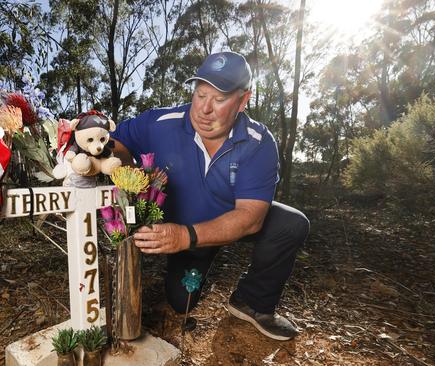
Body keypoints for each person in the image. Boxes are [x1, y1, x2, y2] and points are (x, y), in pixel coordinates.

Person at [110, 51, 309, 341]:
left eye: (219, 99)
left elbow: (251, 218)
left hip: (209, 225)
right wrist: (133, 177)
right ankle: (193, 264)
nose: (204, 109)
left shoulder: (259, 142)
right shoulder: (161, 122)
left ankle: (253, 302)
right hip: (186, 235)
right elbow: (115, 142)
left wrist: (183, 235)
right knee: (182, 302)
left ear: (243, 100)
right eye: (200, 94)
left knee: (291, 224)